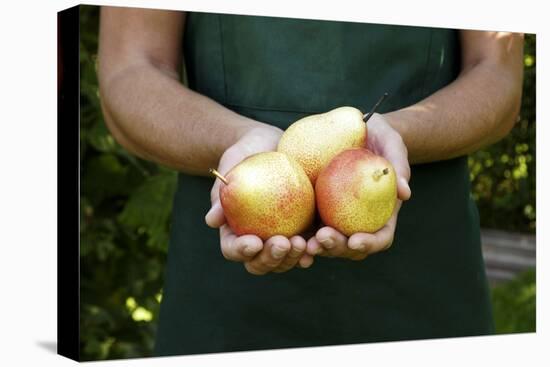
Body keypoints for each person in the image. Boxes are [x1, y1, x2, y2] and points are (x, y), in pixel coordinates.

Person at [97, 7, 524, 356]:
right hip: (225, 288)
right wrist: (242, 142)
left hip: (426, 269)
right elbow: (130, 70)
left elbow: (497, 74)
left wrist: (394, 136)